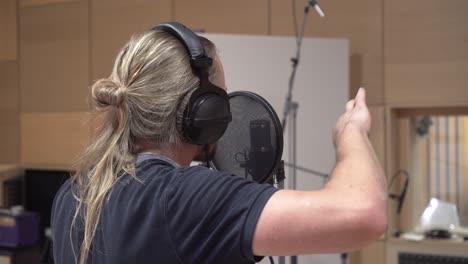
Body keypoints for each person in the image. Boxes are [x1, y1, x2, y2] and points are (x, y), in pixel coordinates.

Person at [51, 22, 387, 264]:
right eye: (220, 100)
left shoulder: (74, 194)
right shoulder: (183, 197)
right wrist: (352, 135)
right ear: (203, 112)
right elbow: (364, 214)